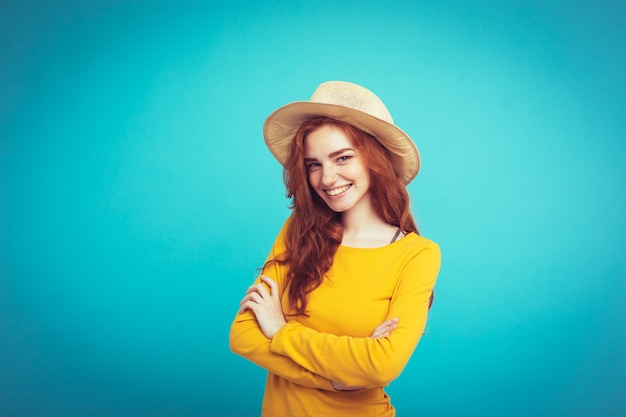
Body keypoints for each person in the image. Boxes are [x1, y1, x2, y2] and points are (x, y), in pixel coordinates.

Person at [229, 81, 441, 417]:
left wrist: (281, 331)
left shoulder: (417, 255)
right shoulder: (297, 232)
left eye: (342, 158)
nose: (327, 178)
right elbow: (243, 336)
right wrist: (337, 379)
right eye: (314, 164)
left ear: (375, 159)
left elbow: (382, 365)